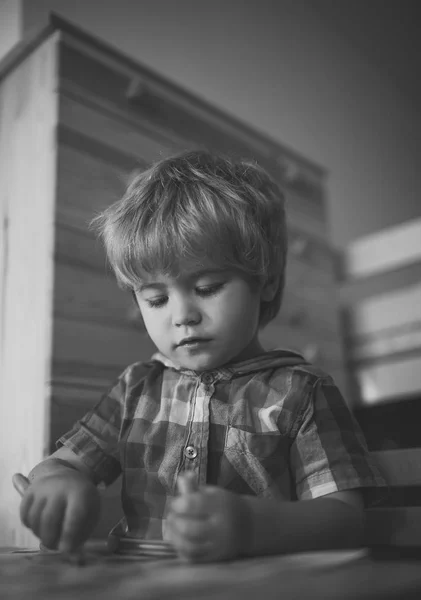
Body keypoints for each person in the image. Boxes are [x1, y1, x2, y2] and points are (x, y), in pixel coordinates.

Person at [16, 150, 384, 562]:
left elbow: (347, 519)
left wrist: (252, 526)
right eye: (156, 299)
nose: (182, 315)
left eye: (207, 288)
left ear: (265, 282)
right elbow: (59, 466)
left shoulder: (302, 392)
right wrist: (57, 484)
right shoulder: (136, 388)